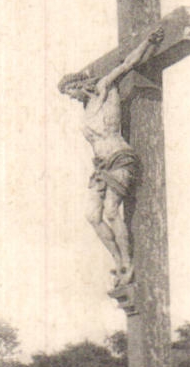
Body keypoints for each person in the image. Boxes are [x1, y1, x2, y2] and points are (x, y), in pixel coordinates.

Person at [59, 26, 166, 291]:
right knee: (92, 216)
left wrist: (148, 41)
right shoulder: (86, 111)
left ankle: (128, 263)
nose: (71, 98)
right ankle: (118, 260)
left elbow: (128, 64)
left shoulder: (105, 89)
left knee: (110, 211)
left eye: (69, 92)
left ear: (78, 85)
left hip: (118, 156)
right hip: (100, 166)